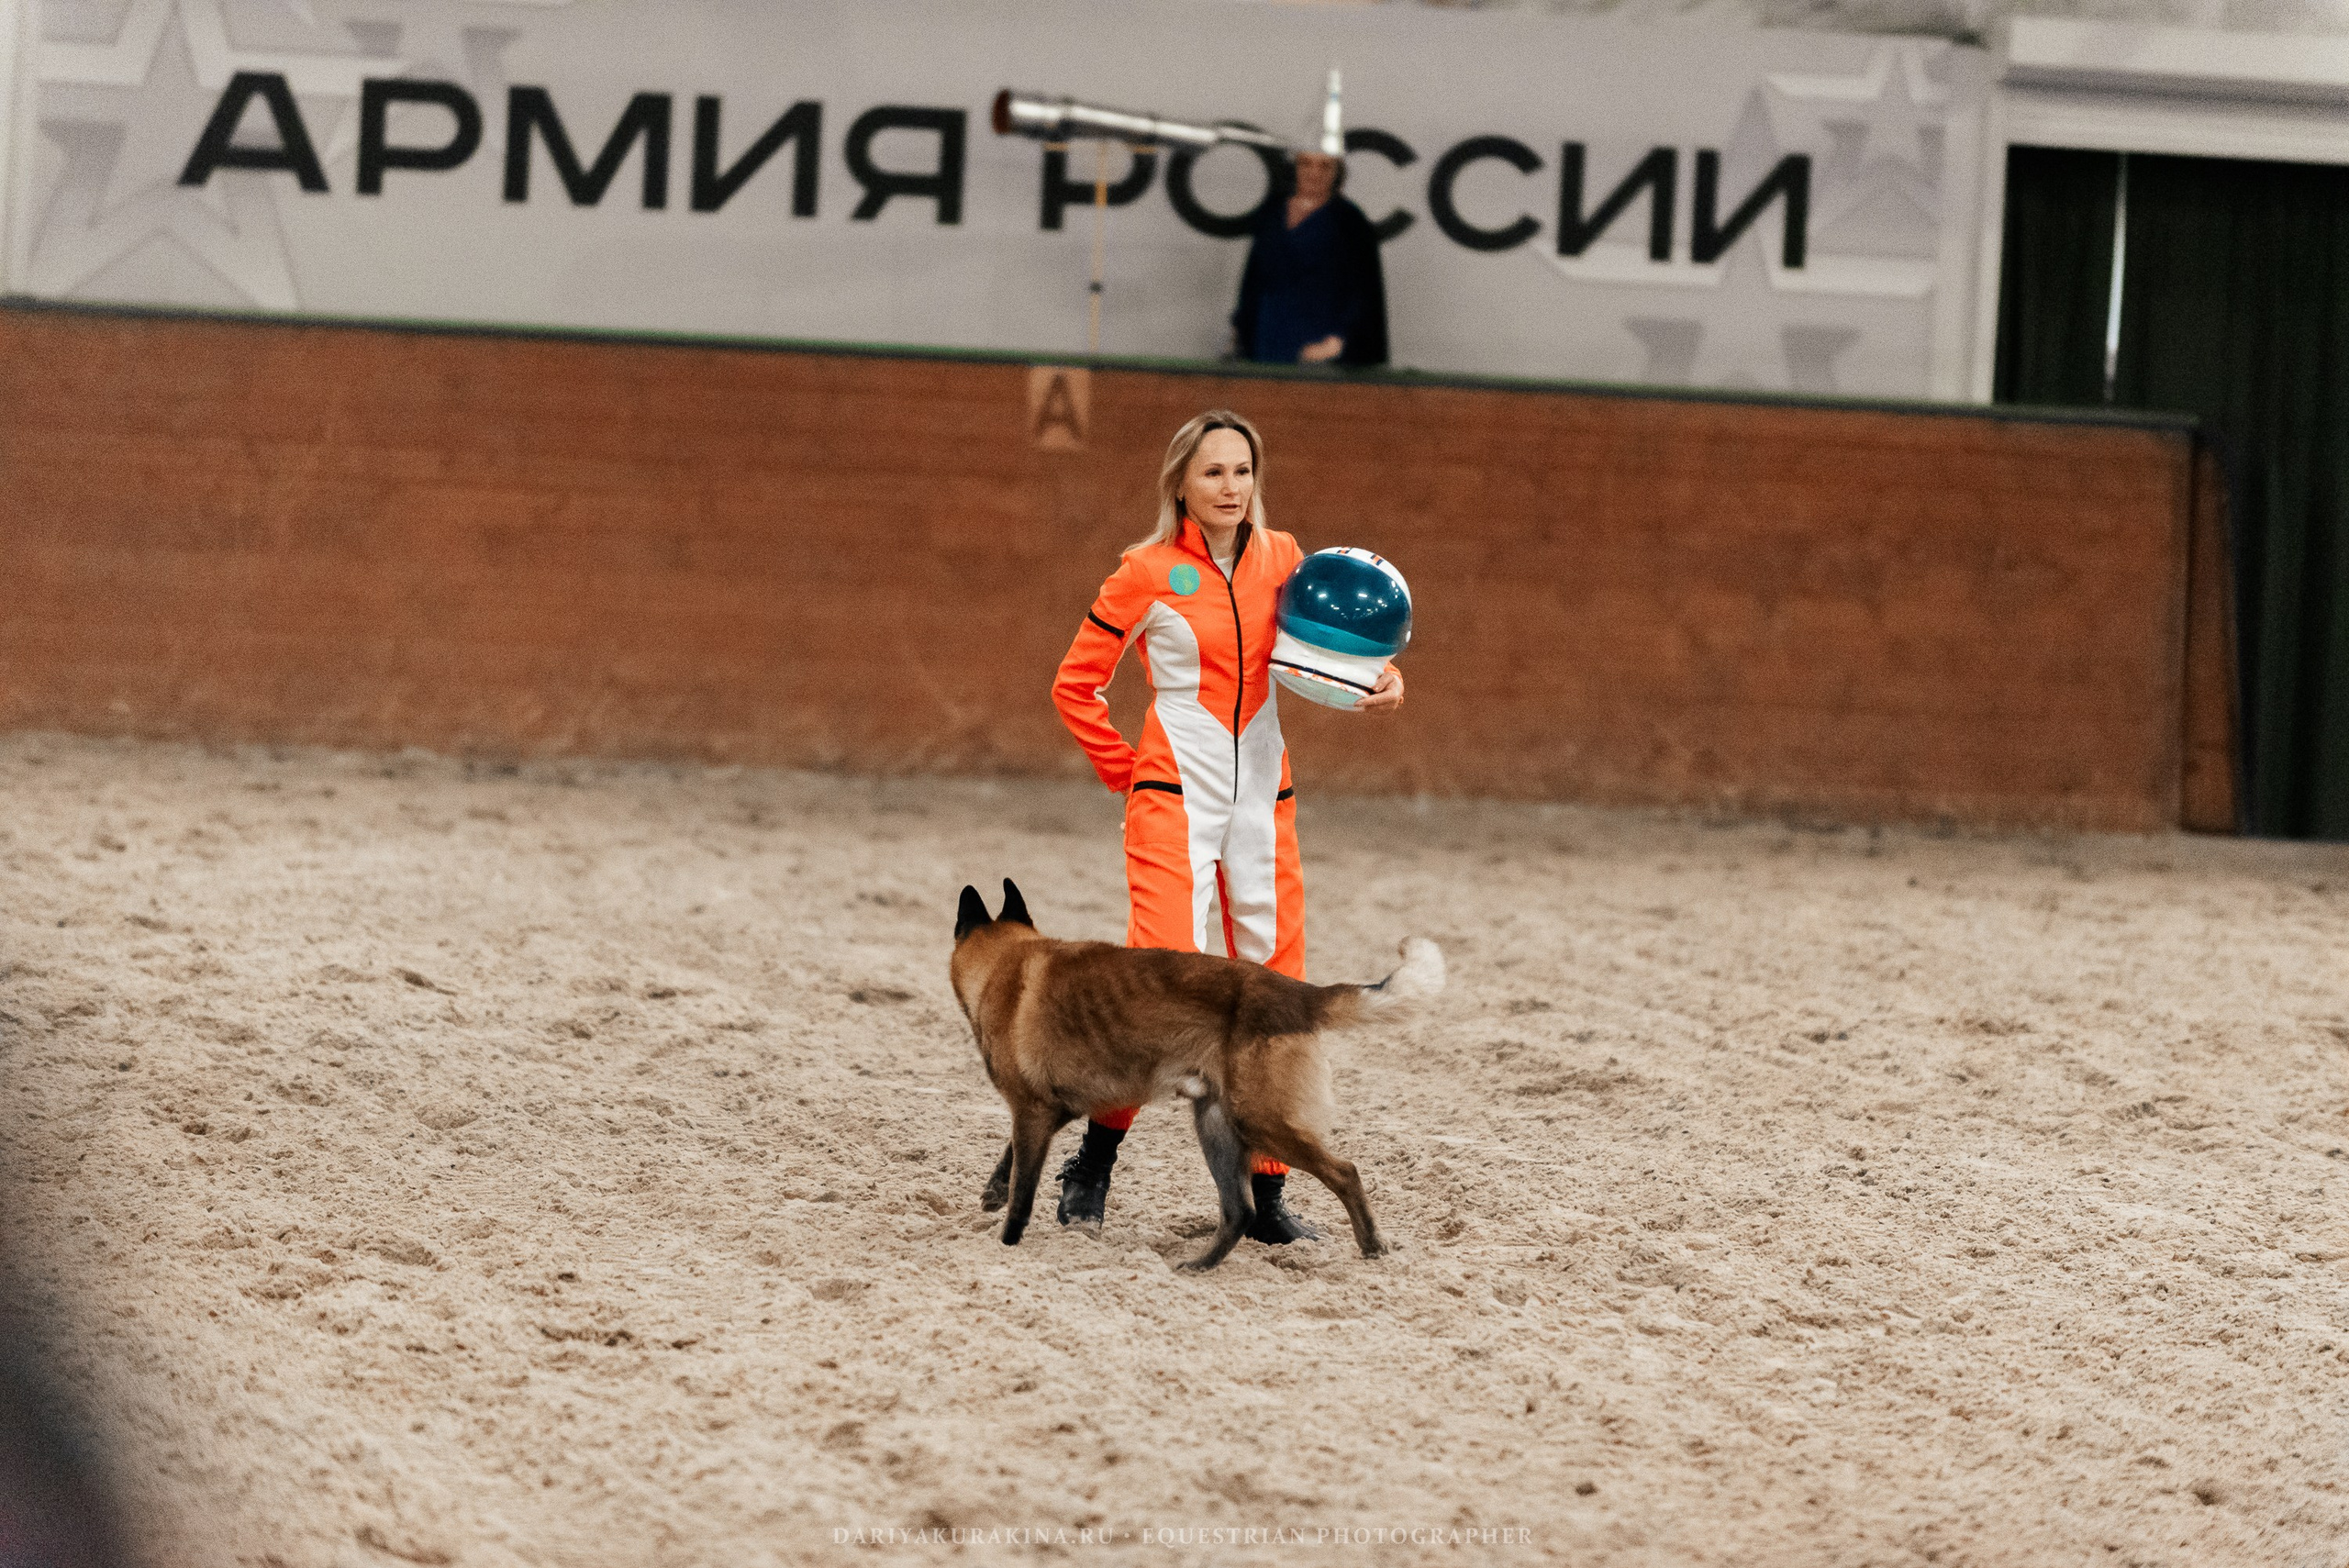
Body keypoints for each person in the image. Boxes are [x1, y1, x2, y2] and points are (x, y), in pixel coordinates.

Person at [1049, 409, 1404, 1241]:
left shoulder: (1285, 558)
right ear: (1180, 482)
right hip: (1174, 796)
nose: (1230, 487)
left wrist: (1383, 678)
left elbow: (1332, 649)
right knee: (1160, 984)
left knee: (1276, 990)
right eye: (1213, 472)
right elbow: (1075, 686)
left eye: (1242, 471)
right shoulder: (1143, 571)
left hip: (1264, 803)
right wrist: (1129, 772)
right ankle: (1093, 1162)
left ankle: (1268, 1195)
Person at [1230, 150, 1389, 368]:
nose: (1314, 173)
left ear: (1337, 173)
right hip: (1268, 332)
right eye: (1306, 164)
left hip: (1321, 338)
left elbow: (1363, 289)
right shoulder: (1272, 213)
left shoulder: (1349, 220)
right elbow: (1254, 276)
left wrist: (1339, 339)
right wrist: (1240, 326)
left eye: (1325, 166)